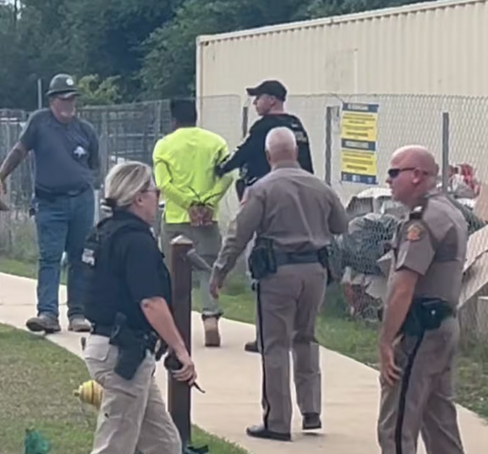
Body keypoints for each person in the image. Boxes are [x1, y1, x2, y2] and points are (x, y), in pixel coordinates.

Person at [210, 127, 348, 441]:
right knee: (306, 337)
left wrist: (220, 271)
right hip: (315, 271)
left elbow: (238, 234)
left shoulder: (261, 189)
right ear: (296, 153)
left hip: (277, 273)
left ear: (268, 155)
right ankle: (311, 410)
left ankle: (278, 421)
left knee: (275, 345)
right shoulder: (320, 186)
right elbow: (340, 224)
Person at [81, 161, 196, 454]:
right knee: (114, 446)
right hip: (122, 353)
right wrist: (180, 349)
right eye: (155, 191)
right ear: (138, 197)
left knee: (165, 444)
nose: (159, 197)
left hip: (114, 347)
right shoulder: (136, 242)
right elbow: (151, 302)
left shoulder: (104, 233)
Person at [378, 145, 466, 454]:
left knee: (397, 425)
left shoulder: (423, 220)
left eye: (394, 172)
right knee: (439, 423)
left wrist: (386, 341)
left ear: (417, 175)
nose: (388, 180)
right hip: (441, 325)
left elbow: (404, 287)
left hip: (420, 330)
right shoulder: (448, 211)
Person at [217, 79, 315, 353]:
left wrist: (220, 169)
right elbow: (308, 168)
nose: (255, 103)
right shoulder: (297, 126)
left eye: (258, 97)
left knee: (261, 265)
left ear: (271, 100)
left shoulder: (264, 128)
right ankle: (295, 333)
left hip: (264, 205)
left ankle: (266, 336)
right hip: (295, 208)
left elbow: (241, 155)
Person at [0, 73, 99, 334]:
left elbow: (94, 167)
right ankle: (47, 313)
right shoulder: (39, 122)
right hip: (49, 202)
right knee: (50, 258)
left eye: (72, 99)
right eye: (63, 99)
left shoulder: (85, 130)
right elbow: (19, 150)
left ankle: (78, 313)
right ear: (52, 100)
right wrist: (2, 175)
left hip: (81, 199)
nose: (69, 105)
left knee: (80, 257)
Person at [153, 98, 233, 348]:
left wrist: (188, 204)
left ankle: (176, 322)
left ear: (173, 120)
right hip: (207, 220)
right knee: (208, 268)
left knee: (173, 272)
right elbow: (228, 176)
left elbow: (163, 183)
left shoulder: (164, 145)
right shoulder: (216, 143)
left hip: (176, 217)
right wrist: (207, 202)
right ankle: (210, 318)